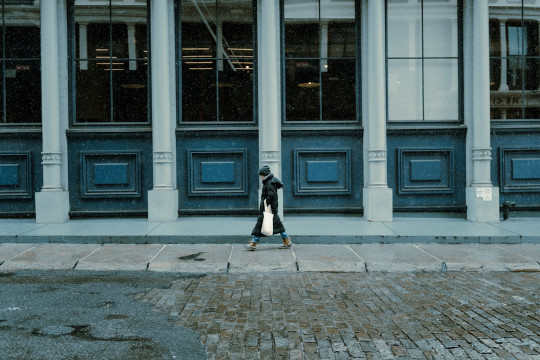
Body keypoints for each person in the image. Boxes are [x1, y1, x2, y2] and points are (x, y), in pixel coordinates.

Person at [244, 165, 292, 251]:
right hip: (270, 208)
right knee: (277, 224)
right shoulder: (270, 182)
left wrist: (265, 203)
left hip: (268, 208)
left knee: (260, 225)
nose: (260, 177)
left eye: (261, 175)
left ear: (264, 175)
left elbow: (271, 195)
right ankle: (286, 240)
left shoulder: (269, 183)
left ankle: (254, 243)